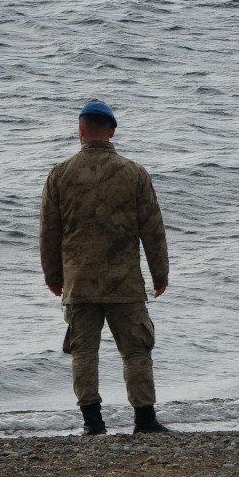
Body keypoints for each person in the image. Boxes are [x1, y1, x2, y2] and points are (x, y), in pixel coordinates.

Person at [39, 99, 171, 435]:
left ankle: (93, 423)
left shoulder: (60, 174)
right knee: (136, 350)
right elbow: (152, 229)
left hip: (79, 282)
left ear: (80, 129)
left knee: (84, 353)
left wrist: (54, 277)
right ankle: (144, 420)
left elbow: (49, 232)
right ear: (111, 130)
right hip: (124, 282)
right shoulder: (134, 173)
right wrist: (160, 274)